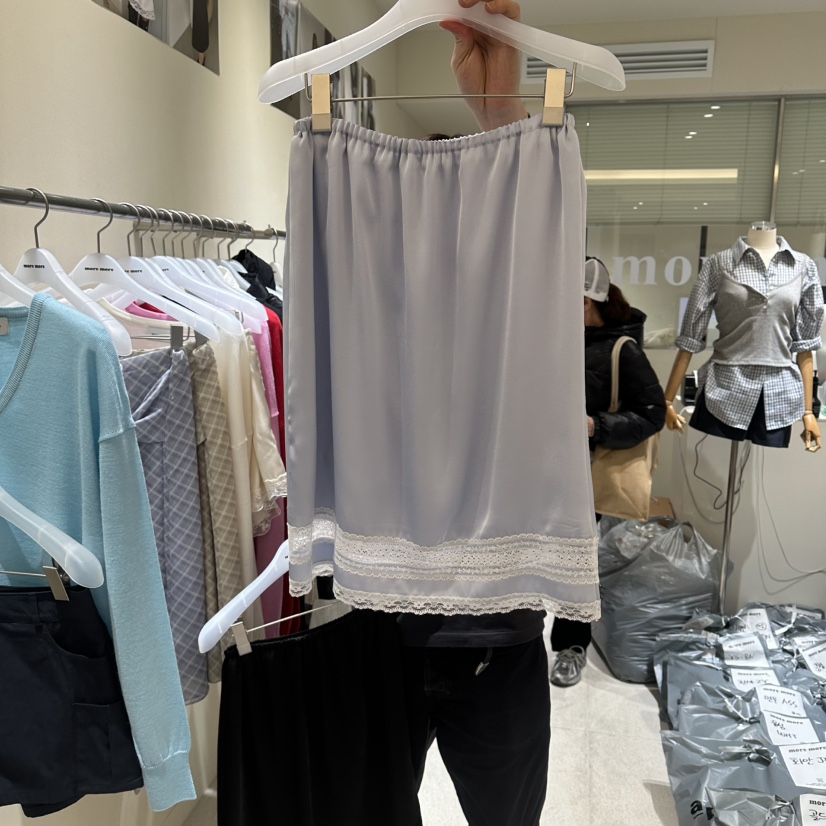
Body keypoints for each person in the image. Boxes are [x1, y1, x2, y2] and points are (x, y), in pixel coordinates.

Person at [395, 3, 552, 825]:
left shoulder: (513, 319)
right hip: (371, 629)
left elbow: (538, 232)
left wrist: (500, 117)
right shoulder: (357, 318)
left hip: (497, 628)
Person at [549, 257, 666, 687]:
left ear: (585, 301)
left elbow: (652, 414)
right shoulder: (557, 337)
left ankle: (571, 646)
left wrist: (596, 426)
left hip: (586, 472)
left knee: (576, 561)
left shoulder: (623, 349)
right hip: (543, 466)